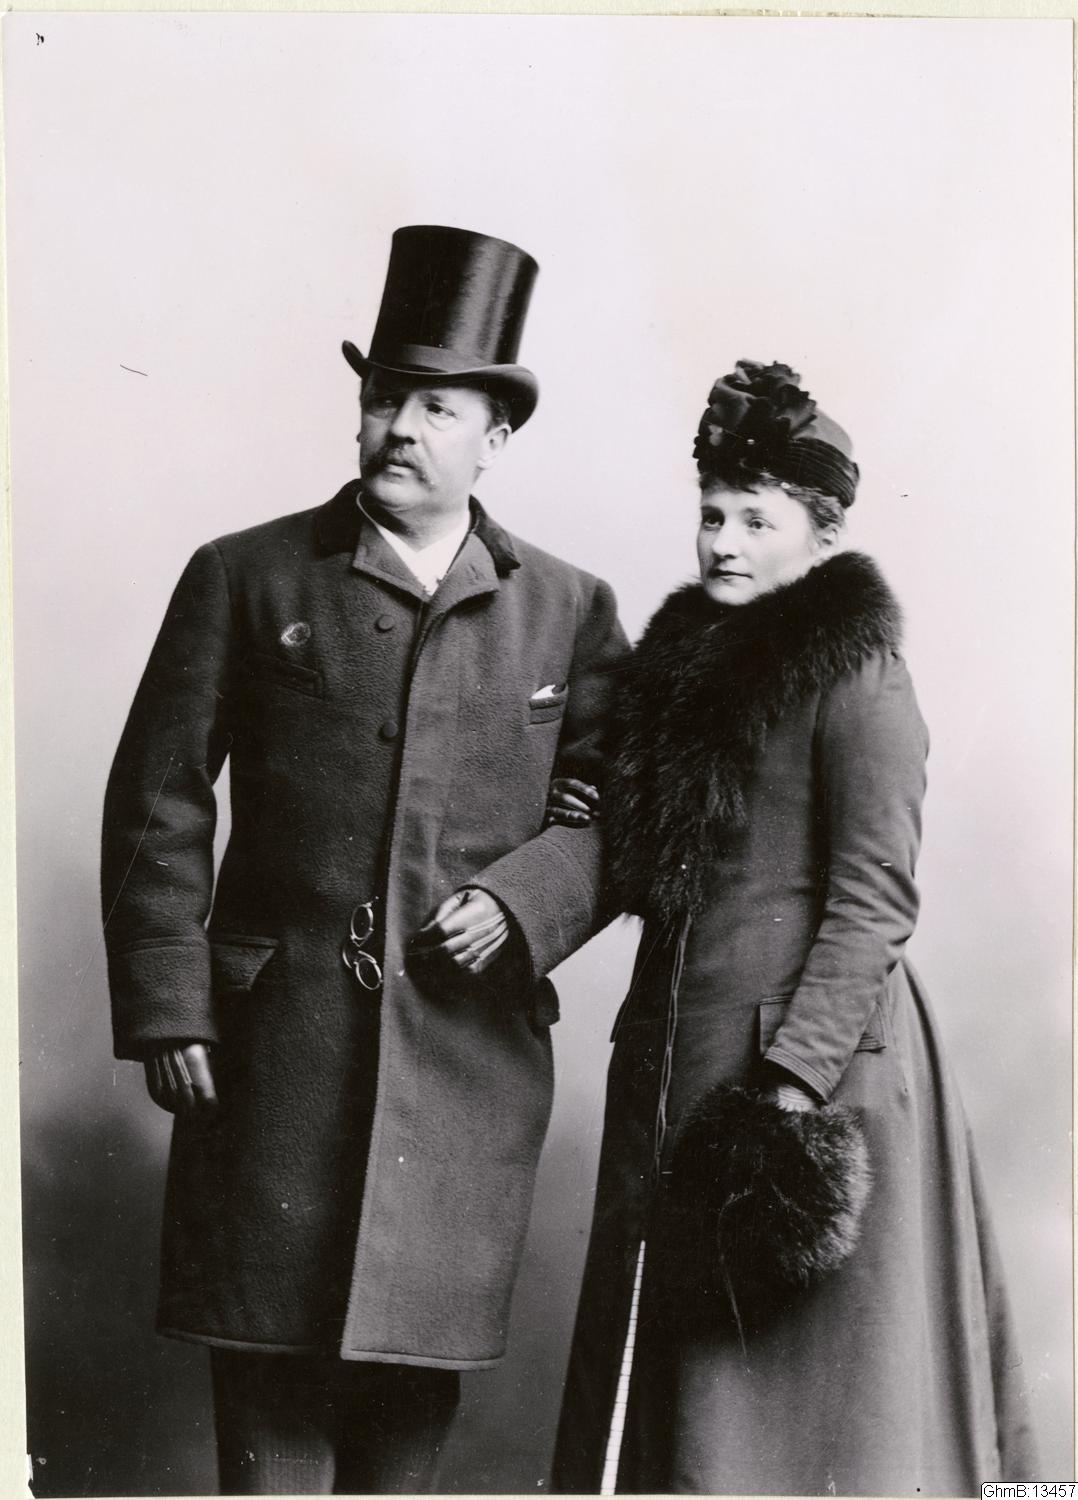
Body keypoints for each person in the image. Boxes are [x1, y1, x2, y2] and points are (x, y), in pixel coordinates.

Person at [100, 224, 627, 1496]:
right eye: (385, 396)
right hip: (272, 1069)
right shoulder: (244, 575)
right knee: (270, 1421)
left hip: (462, 1073)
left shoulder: (568, 609)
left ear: (496, 436)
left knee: (403, 1430)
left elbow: (618, 814)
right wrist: (172, 1005)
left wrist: (522, 903)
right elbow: (159, 799)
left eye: (437, 406)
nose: (400, 426)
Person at [548, 361, 1036, 1496]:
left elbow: (875, 901)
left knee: (810, 1410)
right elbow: (649, 851)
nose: (722, 543)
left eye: (754, 521)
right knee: (690, 1398)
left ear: (821, 534)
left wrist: (788, 1089)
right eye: (711, 515)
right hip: (685, 1054)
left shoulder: (858, 675)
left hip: (808, 1070)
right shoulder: (683, 667)